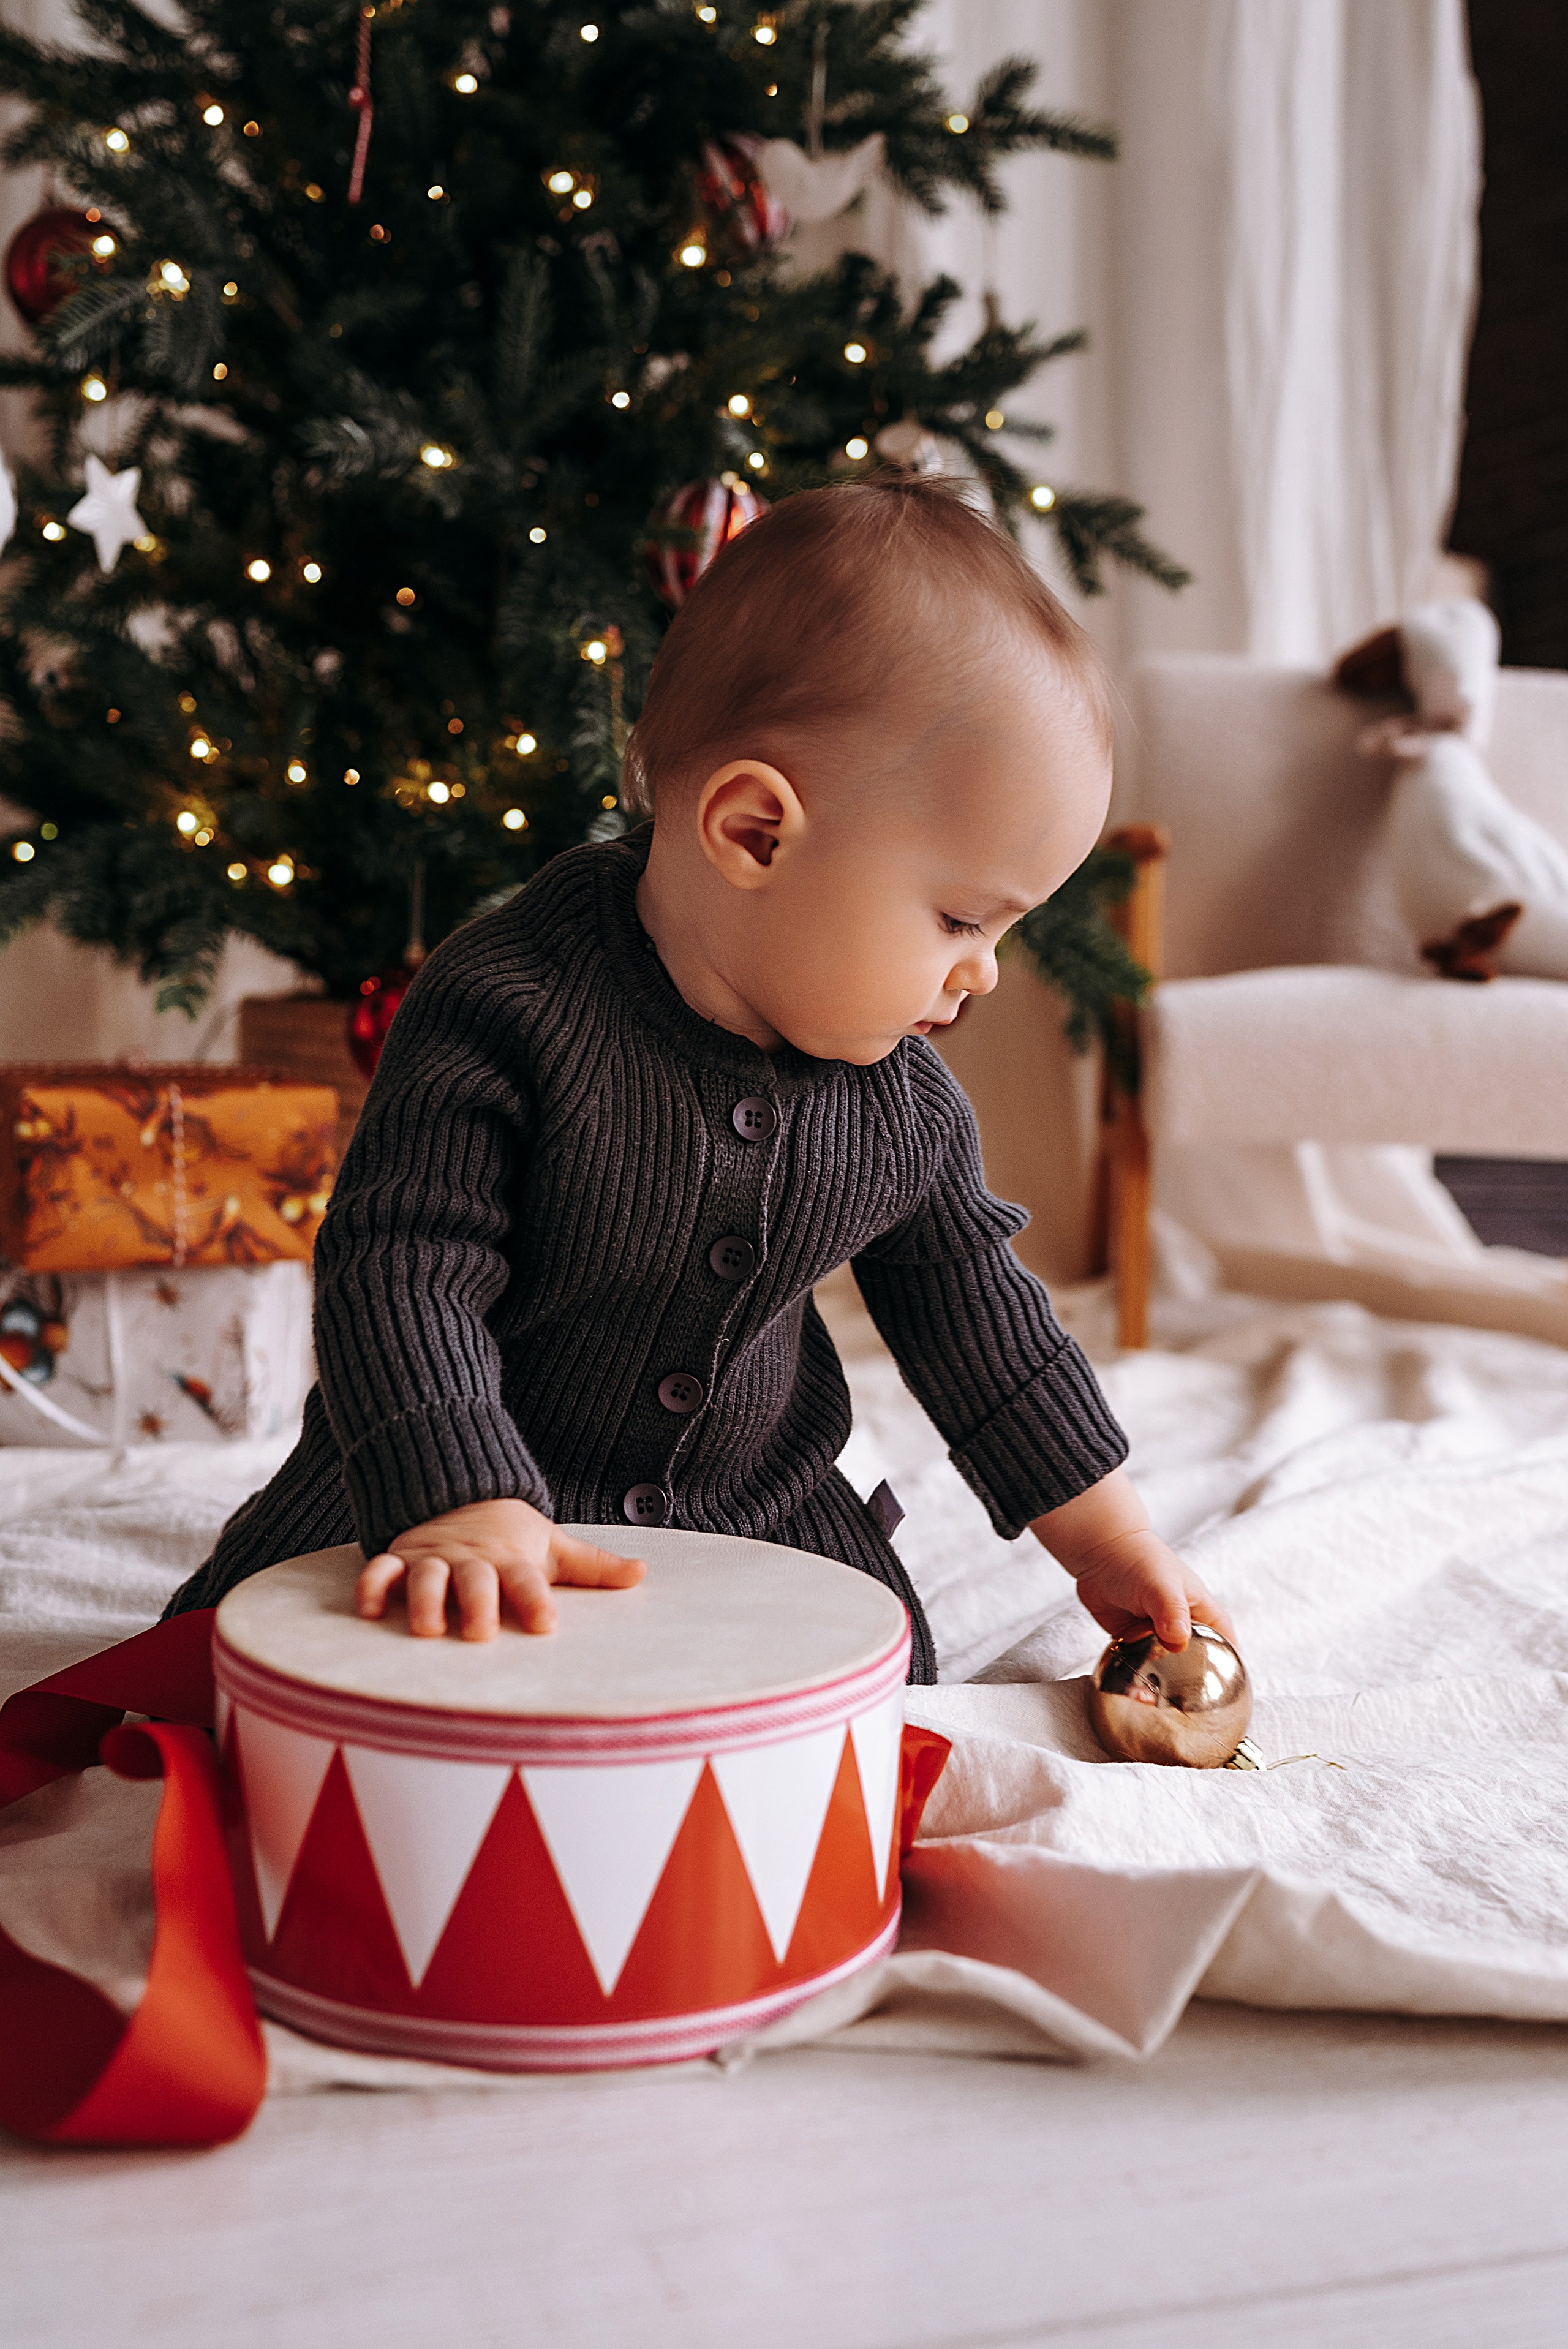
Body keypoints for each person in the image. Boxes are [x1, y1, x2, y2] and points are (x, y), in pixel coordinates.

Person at [167, 478, 1229, 1681]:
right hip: (459, 1479)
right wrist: (457, 1495)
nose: (981, 972)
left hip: (747, 1505)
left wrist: (1109, 1539)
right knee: (290, 1675)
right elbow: (402, 1264)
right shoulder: (510, 1002)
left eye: (1002, 930)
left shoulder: (899, 1098)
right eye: (957, 918)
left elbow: (974, 1311)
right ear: (755, 834)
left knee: (869, 1694)